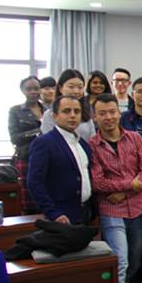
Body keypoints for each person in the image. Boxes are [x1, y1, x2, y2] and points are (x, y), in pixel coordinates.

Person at [89, 94, 142, 283]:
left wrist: (124, 191)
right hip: (110, 211)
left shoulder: (135, 138)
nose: (108, 117)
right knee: (121, 263)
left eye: (112, 112)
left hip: (136, 209)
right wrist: (131, 184)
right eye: (102, 113)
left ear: (119, 113)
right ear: (95, 117)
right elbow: (98, 182)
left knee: (135, 263)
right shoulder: (92, 145)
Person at [27, 95, 93, 224]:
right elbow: (34, 182)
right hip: (61, 217)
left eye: (77, 111)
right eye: (66, 111)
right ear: (54, 116)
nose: (73, 115)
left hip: (85, 214)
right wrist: (53, 212)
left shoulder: (83, 144)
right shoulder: (44, 143)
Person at [9, 76, 44, 213]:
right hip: (26, 157)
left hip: (48, 157)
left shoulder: (49, 109)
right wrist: (40, 132)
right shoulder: (15, 111)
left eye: (36, 88)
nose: (33, 92)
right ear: (23, 91)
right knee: (29, 202)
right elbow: (15, 138)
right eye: (29, 89)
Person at [40, 69, 96, 141]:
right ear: (60, 88)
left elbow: (93, 139)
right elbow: (49, 141)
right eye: (71, 87)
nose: (76, 91)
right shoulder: (50, 114)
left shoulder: (86, 111)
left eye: (80, 87)